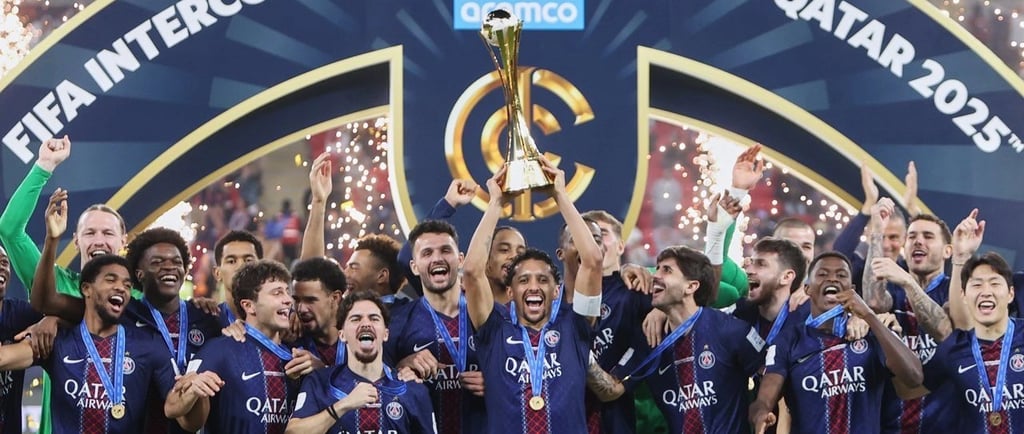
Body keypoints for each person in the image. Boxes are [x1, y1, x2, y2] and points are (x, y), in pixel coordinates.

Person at [463, 158, 606, 434]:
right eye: (523, 280)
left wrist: (560, 195)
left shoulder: (575, 325)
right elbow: (471, 270)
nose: (533, 287)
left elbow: (593, 261)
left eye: (542, 280)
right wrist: (495, 203)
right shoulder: (493, 329)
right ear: (510, 291)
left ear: (556, 291)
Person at [750, 252, 923, 434]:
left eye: (841, 275)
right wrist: (761, 413)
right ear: (808, 289)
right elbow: (764, 399)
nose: (832, 279)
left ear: (852, 288)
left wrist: (869, 316)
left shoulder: (873, 332)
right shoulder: (789, 340)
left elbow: (914, 377)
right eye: (823, 274)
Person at [0, 254, 175, 433]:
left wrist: (192, 391)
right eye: (110, 280)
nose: (121, 288)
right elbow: (5, 358)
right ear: (86, 289)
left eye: (127, 285)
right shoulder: (58, 340)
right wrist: (52, 239)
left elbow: (180, 412)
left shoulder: (149, 346)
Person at [164, 260, 317, 432]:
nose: (288, 300)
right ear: (249, 306)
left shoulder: (300, 358)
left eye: (287, 293)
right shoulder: (218, 351)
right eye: (277, 293)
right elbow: (172, 408)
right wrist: (192, 391)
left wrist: (320, 370)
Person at [863, 198, 959, 433]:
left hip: (945, 425)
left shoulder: (955, 292)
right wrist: (876, 234)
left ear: (948, 250)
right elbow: (874, 303)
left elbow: (945, 330)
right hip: (892, 424)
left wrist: (909, 282)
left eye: (928, 236)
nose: (918, 241)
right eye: (913, 236)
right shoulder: (894, 290)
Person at [385, 220, 486, 434]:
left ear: (460, 260)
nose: (437, 258)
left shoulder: (490, 317)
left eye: (445, 250)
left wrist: (498, 383)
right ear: (413, 266)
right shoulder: (398, 321)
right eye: (427, 253)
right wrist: (401, 368)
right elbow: (372, 378)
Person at [287, 290, 436, 433]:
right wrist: (343, 406)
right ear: (342, 335)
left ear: (385, 334)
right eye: (356, 318)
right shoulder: (319, 382)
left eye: (374, 318)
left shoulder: (412, 389)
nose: (365, 324)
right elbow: (293, 432)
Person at [577, 210, 653, 434]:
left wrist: (662, 309)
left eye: (603, 234)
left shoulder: (639, 291)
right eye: (588, 235)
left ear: (621, 246)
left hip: (615, 421)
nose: (594, 241)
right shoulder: (556, 297)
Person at [395, 178, 526, 304]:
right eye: (504, 250)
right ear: (484, 261)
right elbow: (407, 258)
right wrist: (448, 203)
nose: (514, 256)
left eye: (520, 253)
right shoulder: (454, 304)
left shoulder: (533, 311)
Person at [0, 243, 46, 434]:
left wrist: (50, 321)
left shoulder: (21, 314)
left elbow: (71, 319)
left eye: (5, 262)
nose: (2, 267)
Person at [292, 256, 348, 366]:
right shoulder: (291, 341)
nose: (301, 309)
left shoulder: (357, 341)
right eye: (297, 300)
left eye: (310, 300)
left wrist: (321, 371)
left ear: (335, 298)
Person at [212, 230, 263, 326]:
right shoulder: (207, 322)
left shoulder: (281, 320)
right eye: (231, 261)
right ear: (217, 273)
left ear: (262, 269)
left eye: (248, 260)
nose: (241, 266)